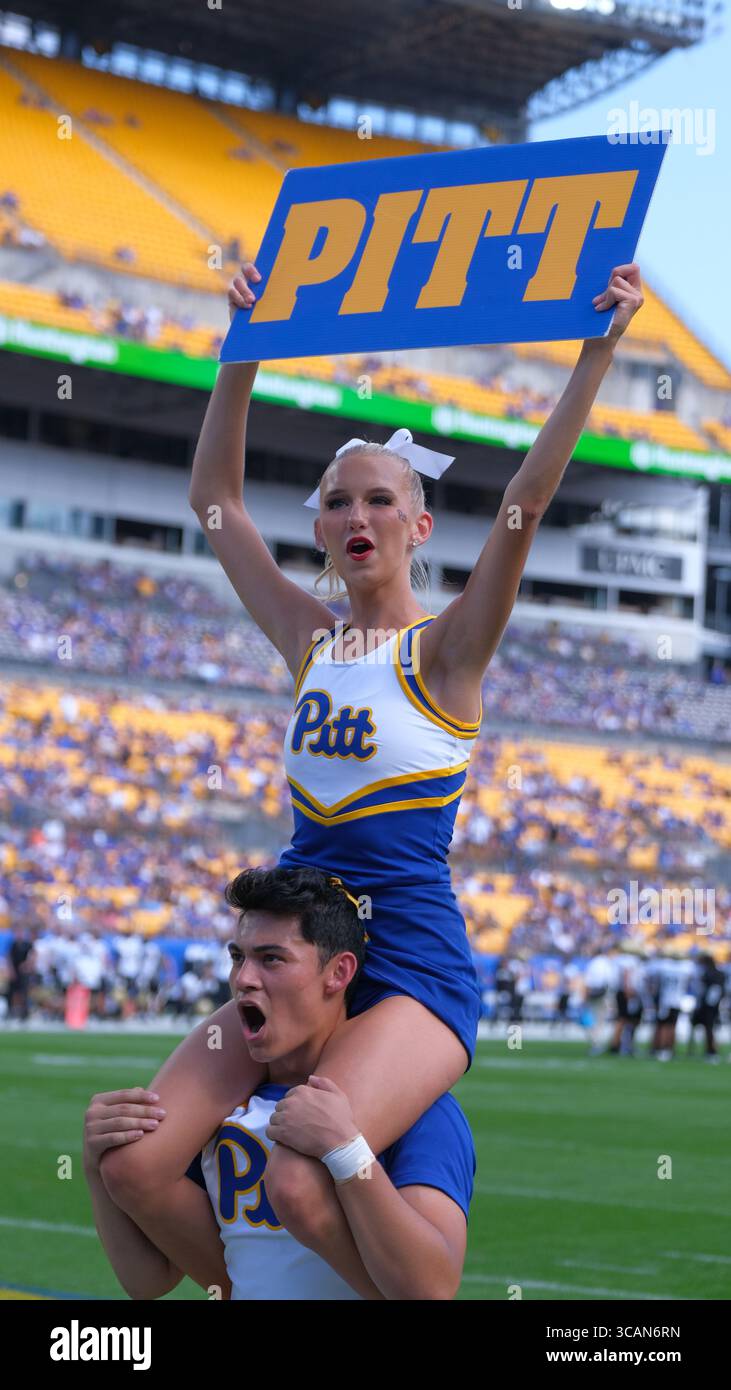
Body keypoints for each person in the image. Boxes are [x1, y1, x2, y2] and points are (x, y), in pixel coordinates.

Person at [101, 256, 645, 1286]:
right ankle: (241, 1285)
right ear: (320, 527)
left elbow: (525, 504)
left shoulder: (446, 653)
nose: (359, 516)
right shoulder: (310, 645)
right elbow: (212, 498)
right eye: (339, 502)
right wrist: (242, 346)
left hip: (409, 972)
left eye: (382, 501)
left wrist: (596, 352)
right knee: (136, 1156)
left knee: (304, 1170)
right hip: (297, 961)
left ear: (417, 525)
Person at [88, 867, 474, 1299]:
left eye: (271, 959)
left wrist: (347, 1152)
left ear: (339, 973)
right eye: (238, 957)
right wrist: (94, 1164)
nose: (244, 979)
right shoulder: (219, 1111)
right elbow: (148, 1280)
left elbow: (434, 1289)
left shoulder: (417, 1110)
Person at [688, 952, 725, 1062]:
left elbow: (711, 991)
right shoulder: (718, 973)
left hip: (707, 1006)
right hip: (712, 1005)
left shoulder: (707, 973)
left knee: (707, 1029)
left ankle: (710, 1050)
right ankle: (709, 1050)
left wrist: (707, 1004)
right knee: (708, 1029)